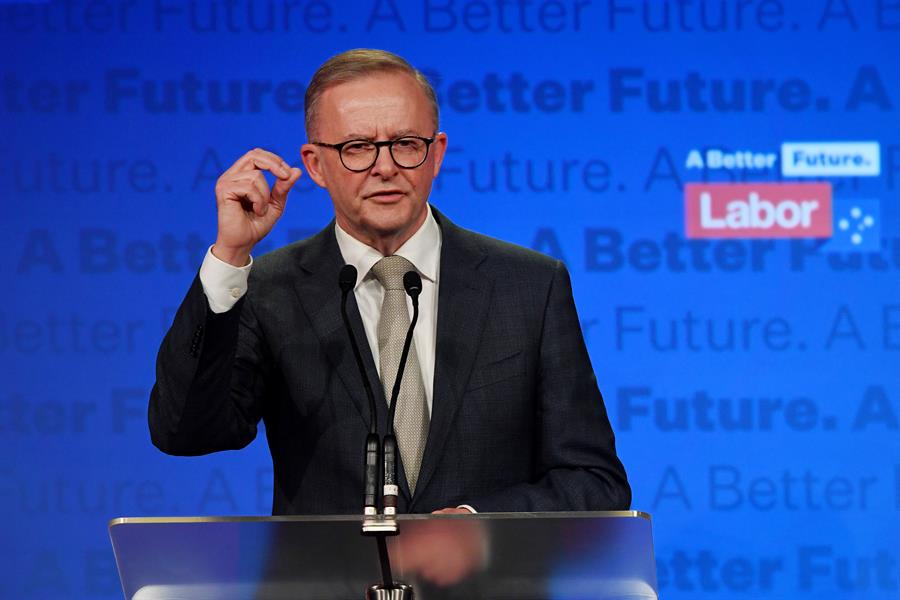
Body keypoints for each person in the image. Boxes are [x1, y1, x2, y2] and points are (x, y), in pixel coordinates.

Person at [149, 49, 630, 516]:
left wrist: (477, 523)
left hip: (487, 571)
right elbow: (185, 432)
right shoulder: (270, 290)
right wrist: (230, 256)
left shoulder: (529, 286)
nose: (385, 167)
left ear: (436, 154)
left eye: (406, 143)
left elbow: (594, 481)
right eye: (357, 147)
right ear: (315, 164)